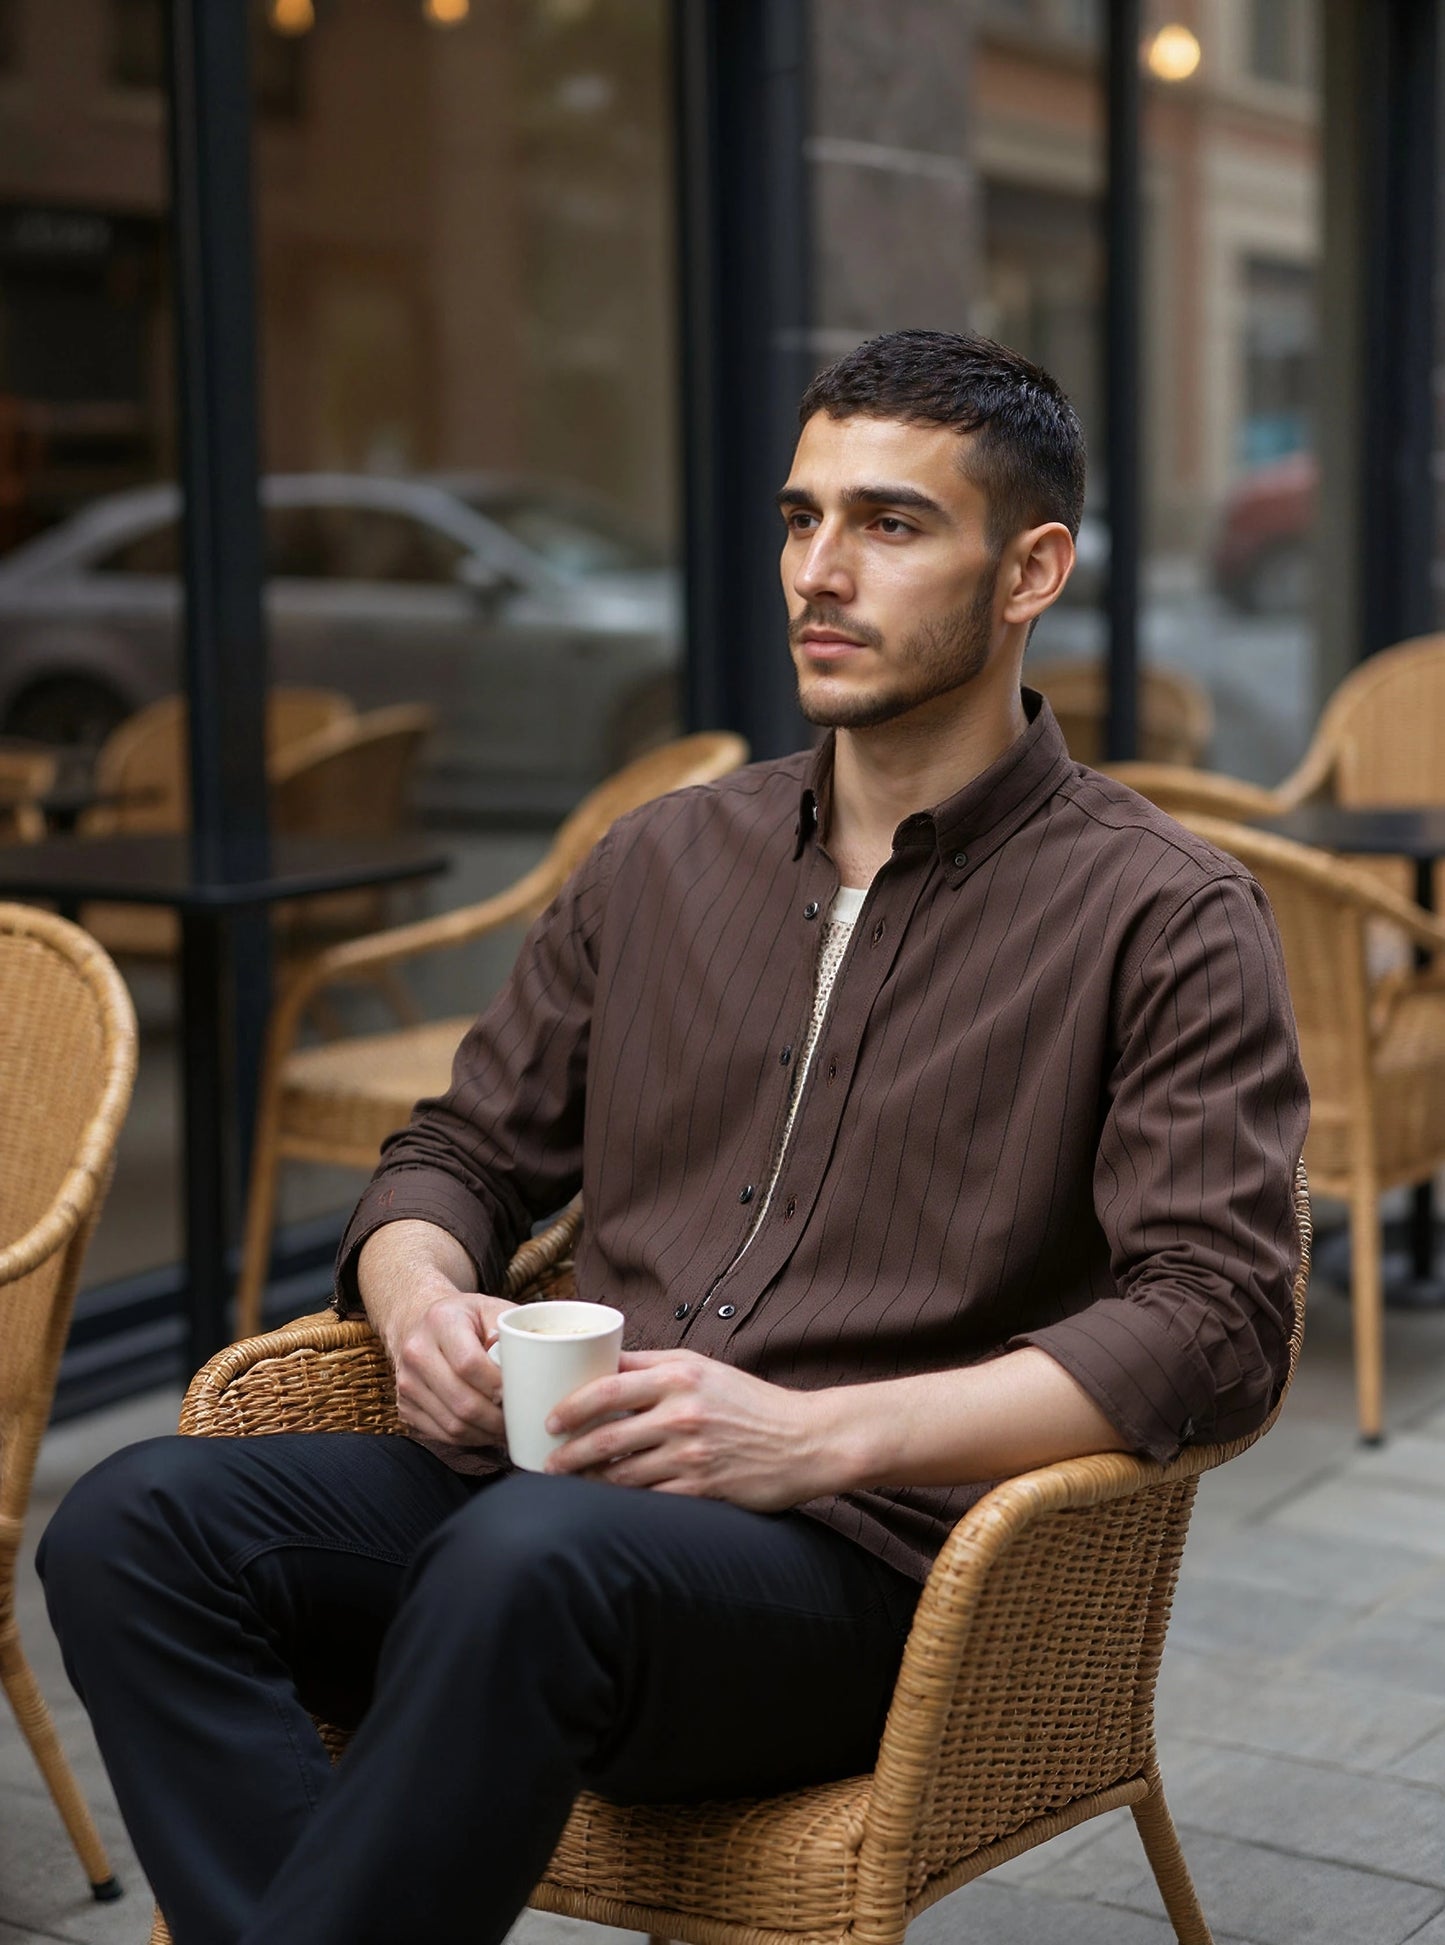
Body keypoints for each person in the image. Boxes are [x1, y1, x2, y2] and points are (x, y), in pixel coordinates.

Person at [39, 329, 1308, 1945]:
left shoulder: (1163, 914)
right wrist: (422, 1300)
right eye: (799, 519)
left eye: (890, 524)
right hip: (546, 1510)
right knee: (133, 1528)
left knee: (526, 1562)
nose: (818, 573)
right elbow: (459, 1154)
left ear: (1028, 570)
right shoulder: (658, 861)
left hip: (859, 1584)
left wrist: (813, 1438)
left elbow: (1211, 1319)